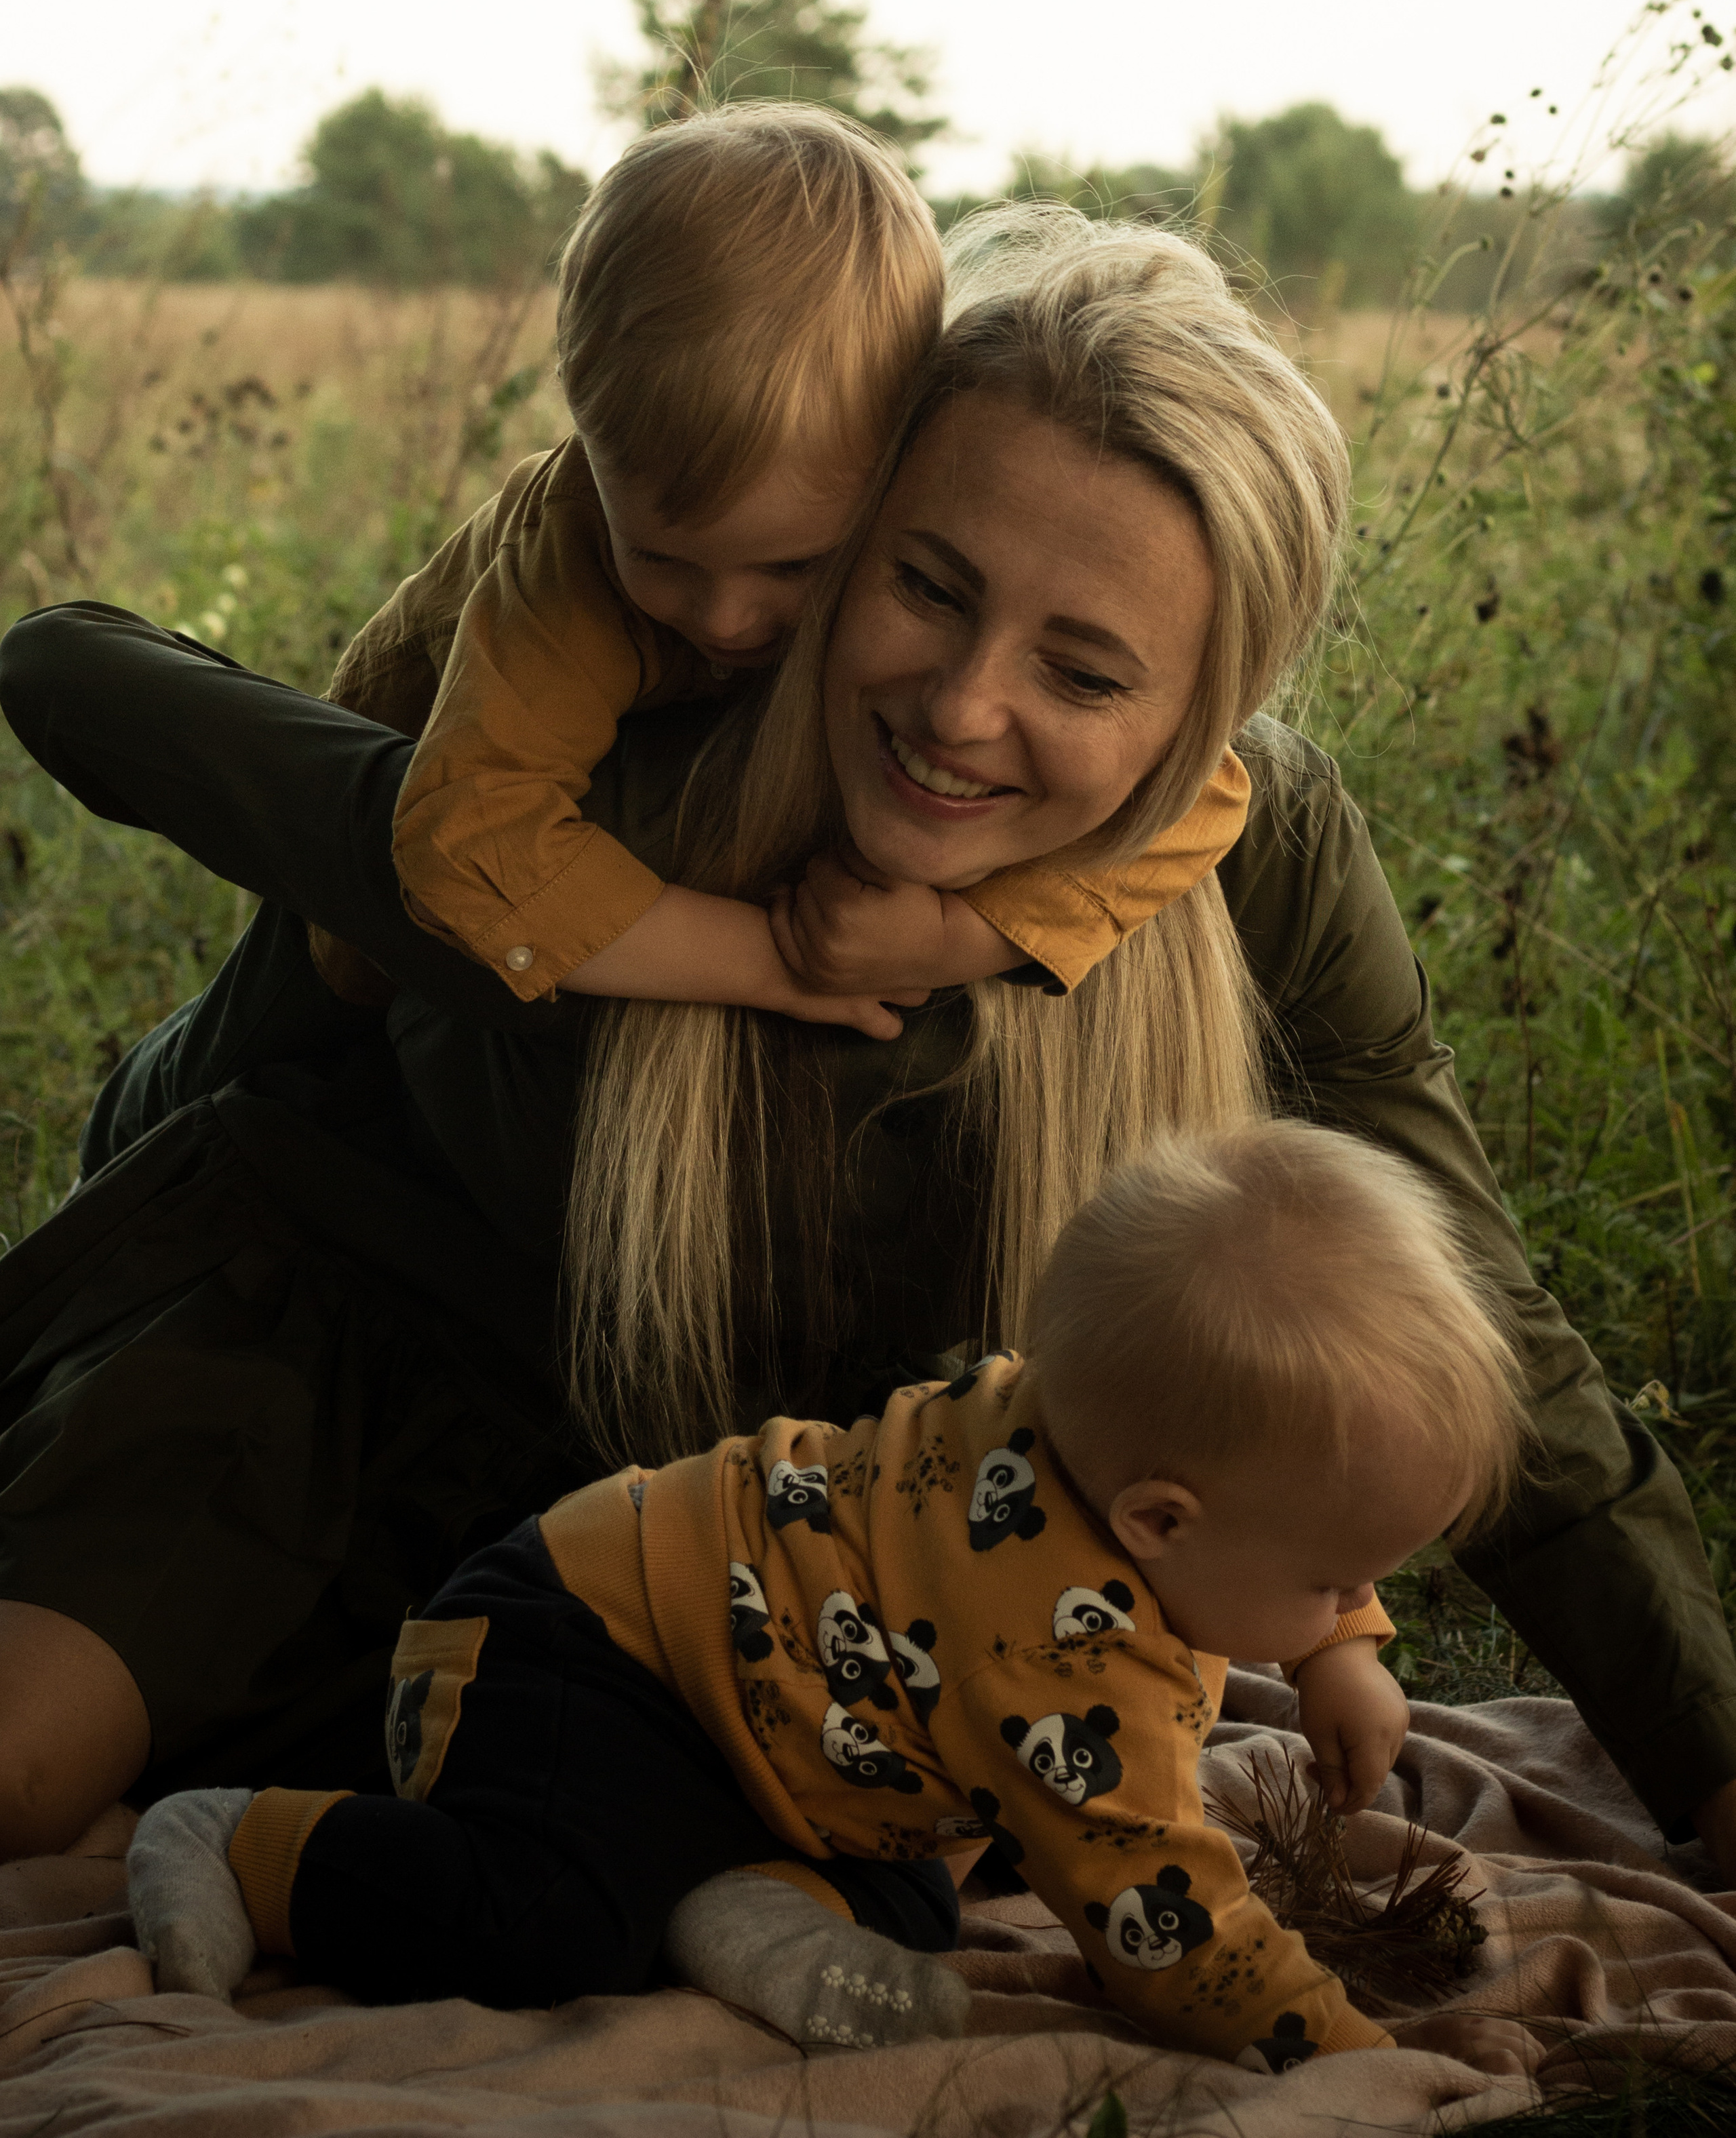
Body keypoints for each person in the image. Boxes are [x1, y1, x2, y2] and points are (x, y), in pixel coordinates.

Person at [1, 210, 1732, 1899]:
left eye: (1082, 668)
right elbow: (147, 805)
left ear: (1196, 722)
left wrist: (1706, 1758)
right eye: (927, 585)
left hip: (726, 1570)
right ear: (853, 533)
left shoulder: (1254, 853)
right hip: (343, 1401)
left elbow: (1482, 1320)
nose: (962, 708)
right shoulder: (608, 760)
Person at [125, 1119, 1528, 2069]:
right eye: (1339, 1580)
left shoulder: (1094, 1425)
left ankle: (745, 1891)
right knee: (549, 1922)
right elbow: (1163, 1929)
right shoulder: (1051, 1661)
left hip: (790, 1728)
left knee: (923, 1908)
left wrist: (1342, 1643)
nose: (1357, 1598)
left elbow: (1281, 1519)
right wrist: (1339, 2050)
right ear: (1159, 1519)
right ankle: (256, 1848)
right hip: (582, 1647)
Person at [317, 102, 1246, 1035]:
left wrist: (955, 940)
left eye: (797, 565)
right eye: (662, 556)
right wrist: (776, 964)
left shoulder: (899, 492)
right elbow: (463, 844)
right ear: (591, 448)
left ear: (894, 452)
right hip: (357, 886)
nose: (723, 619)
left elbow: (1204, 791)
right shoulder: (570, 562)